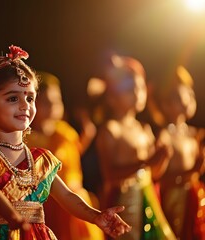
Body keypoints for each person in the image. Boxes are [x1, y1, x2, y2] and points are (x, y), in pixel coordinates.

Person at [0, 45, 131, 240]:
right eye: (13, 98)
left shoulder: (41, 159)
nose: (25, 105)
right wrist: (14, 218)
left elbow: (66, 197)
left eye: (30, 98)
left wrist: (96, 216)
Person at [90, 54, 176, 239]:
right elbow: (109, 175)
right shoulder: (110, 130)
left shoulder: (144, 129)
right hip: (122, 202)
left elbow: (155, 174)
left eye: (141, 88)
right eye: (130, 89)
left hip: (147, 200)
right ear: (112, 97)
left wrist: (163, 156)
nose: (138, 93)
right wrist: (146, 162)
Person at [26, 71, 104, 239]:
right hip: (53, 204)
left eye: (57, 101)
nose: (53, 106)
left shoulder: (65, 132)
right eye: (47, 102)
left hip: (76, 197)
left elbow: (71, 156)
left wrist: (86, 137)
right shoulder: (30, 140)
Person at [147, 65, 205, 239]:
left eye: (190, 95)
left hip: (194, 196)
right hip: (174, 199)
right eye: (181, 97)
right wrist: (190, 172)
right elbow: (157, 178)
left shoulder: (195, 134)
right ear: (165, 104)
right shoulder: (164, 136)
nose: (188, 101)